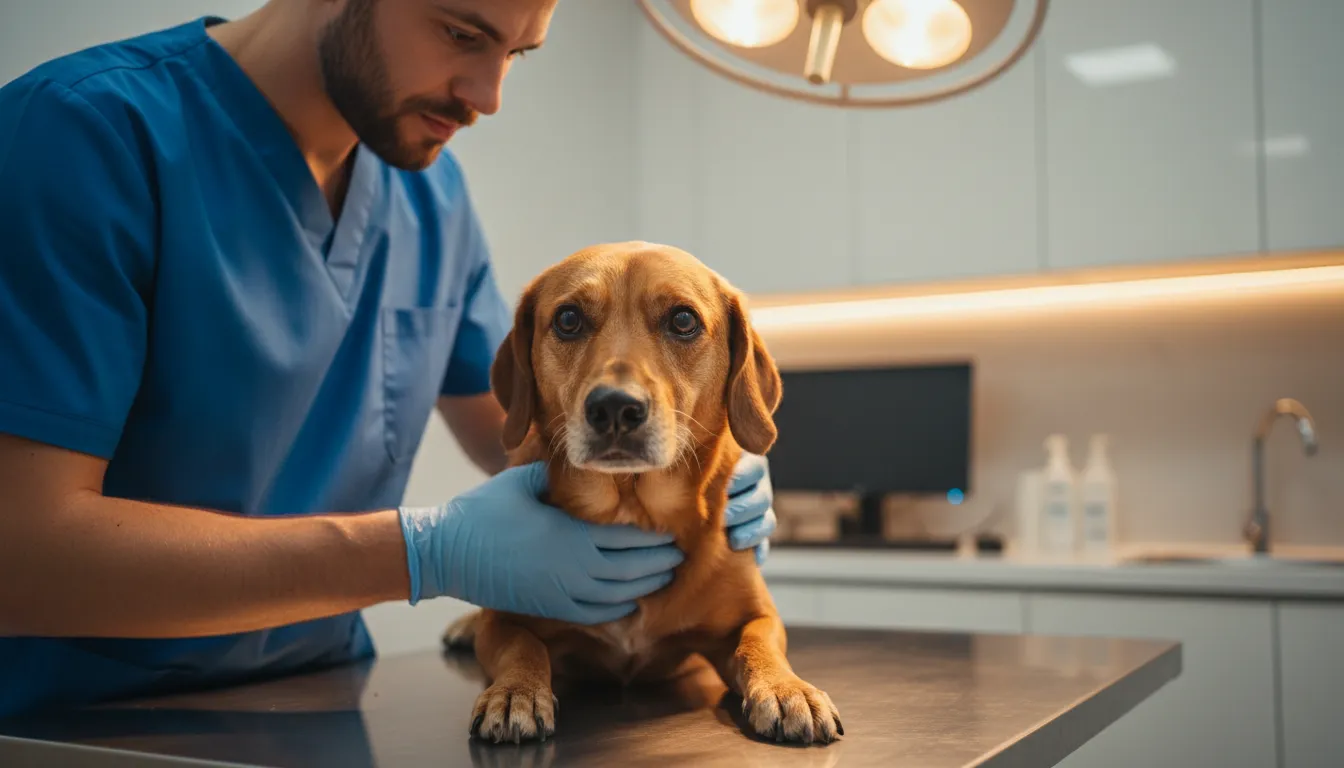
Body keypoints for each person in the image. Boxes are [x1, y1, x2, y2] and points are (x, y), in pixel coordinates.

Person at [0, 0, 777, 718]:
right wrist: (418, 552)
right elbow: (18, 552)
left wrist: (705, 456)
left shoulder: (430, 202)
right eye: (462, 33)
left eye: (519, 53)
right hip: (77, 722)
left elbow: (518, 434)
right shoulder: (78, 137)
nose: (487, 94)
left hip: (328, 699)